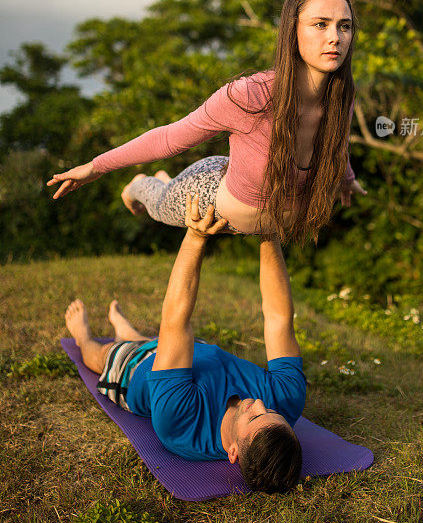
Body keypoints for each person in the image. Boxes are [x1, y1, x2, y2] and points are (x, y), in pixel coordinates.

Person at [48, 0, 367, 246]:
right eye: (320, 25)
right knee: (159, 203)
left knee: (205, 172)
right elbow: (169, 138)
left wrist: (347, 179)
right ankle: (140, 184)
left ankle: (165, 178)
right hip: (211, 194)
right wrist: (96, 167)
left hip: (242, 184)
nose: (334, 38)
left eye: (344, 26)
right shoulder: (251, 96)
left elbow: (336, 144)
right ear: (292, 30)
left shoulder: (342, 96)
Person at [65, 193, 306, 494]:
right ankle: (124, 327)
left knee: (103, 353)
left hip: (134, 372)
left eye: (254, 416)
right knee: (160, 342)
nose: (259, 403)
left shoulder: (181, 424)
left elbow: (175, 323)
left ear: (233, 452)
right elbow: (279, 317)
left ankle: (84, 333)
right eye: (273, 413)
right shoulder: (287, 398)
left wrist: (194, 236)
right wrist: (269, 231)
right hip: (196, 354)